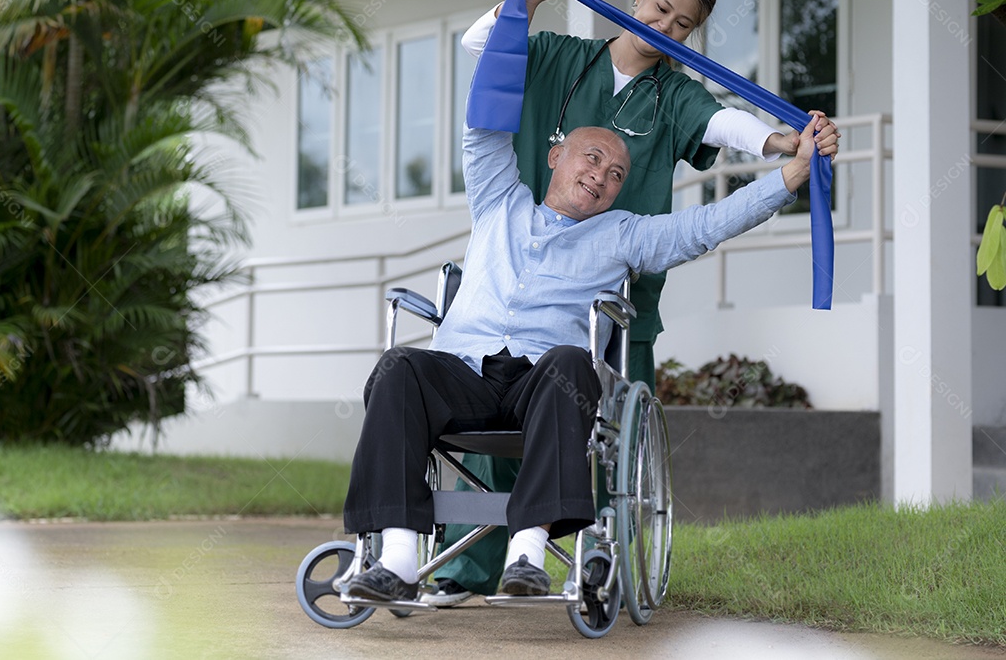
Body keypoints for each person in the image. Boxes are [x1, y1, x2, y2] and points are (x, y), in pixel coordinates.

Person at [341, 56, 839, 601]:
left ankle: (527, 555)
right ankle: (397, 560)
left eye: (616, 174)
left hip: (546, 385)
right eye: (592, 158)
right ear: (556, 157)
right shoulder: (497, 201)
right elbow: (481, 124)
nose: (601, 176)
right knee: (398, 366)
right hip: (464, 374)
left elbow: (707, 226)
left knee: (572, 360)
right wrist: (518, 14)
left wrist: (791, 174)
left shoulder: (623, 235)